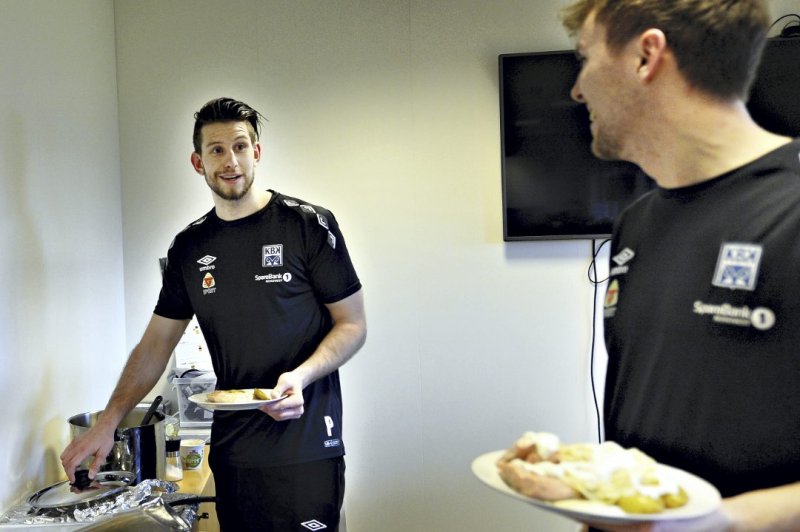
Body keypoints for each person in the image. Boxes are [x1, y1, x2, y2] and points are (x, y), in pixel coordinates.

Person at [61, 97, 367, 531]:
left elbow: (352, 325)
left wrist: (302, 376)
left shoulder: (307, 226)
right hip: (232, 452)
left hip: (306, 446)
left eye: (241, 146)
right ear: (197, 161)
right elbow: (155, 344)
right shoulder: (190, 248)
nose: (231, 161)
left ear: (256, 152)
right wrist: (108, 422)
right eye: (217, 150)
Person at [559, 1, 800, 530]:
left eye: (585, 58)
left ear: (647, 56)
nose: (578, 90)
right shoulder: (636, 224)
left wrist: (715, 522)